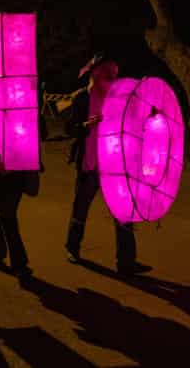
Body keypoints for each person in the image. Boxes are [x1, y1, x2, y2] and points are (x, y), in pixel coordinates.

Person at [65, 54, 151, 276]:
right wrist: (86, 125)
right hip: (90, 162)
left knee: (122, 210)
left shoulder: (118, 99)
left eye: (114, 75)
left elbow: (132, 121)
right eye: (107, 74)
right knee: (81, 206)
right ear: (95, 74)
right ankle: (72, 248)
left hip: (113, 162)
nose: (112, 79)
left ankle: (126, 261)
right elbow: (70, 128)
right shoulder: (82, 98)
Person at [0, 110, 39, 282]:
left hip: (19, 170)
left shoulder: (27, 106)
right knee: (8, 216)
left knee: (6, 215)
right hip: (0, 173)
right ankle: (19, 264)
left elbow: (40, 131)